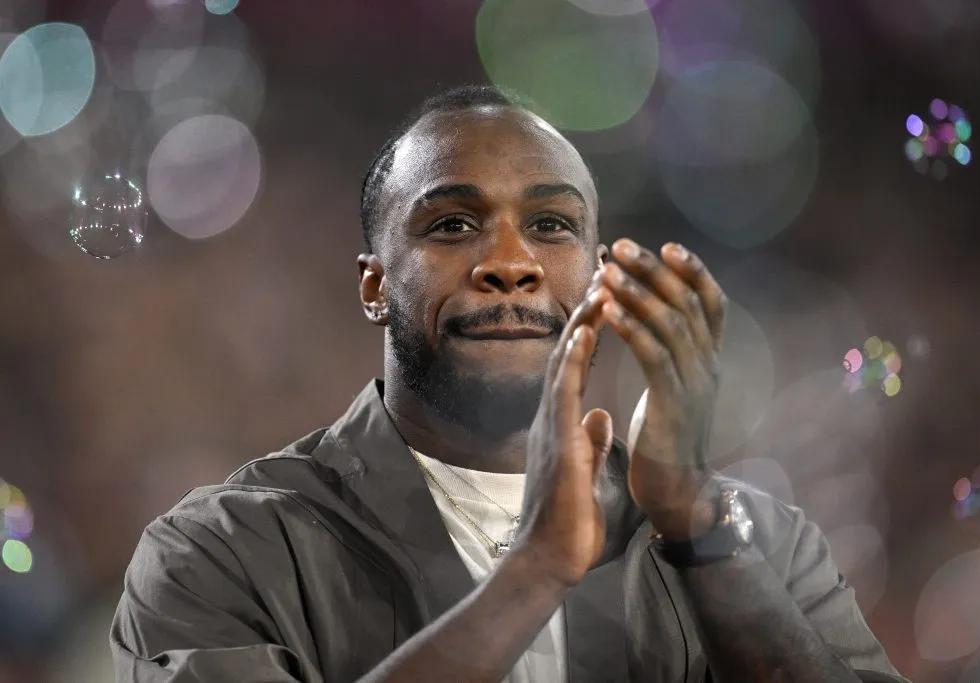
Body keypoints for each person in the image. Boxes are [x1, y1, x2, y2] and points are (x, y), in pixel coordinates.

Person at [111, 85, 909, 683]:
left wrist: (696, 523)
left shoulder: (761, 543)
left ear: (602, 275)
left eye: (551, 225)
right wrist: (533, 572)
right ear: (374, 286)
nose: (510, 262)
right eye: (452, 224)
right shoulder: (217, 549)